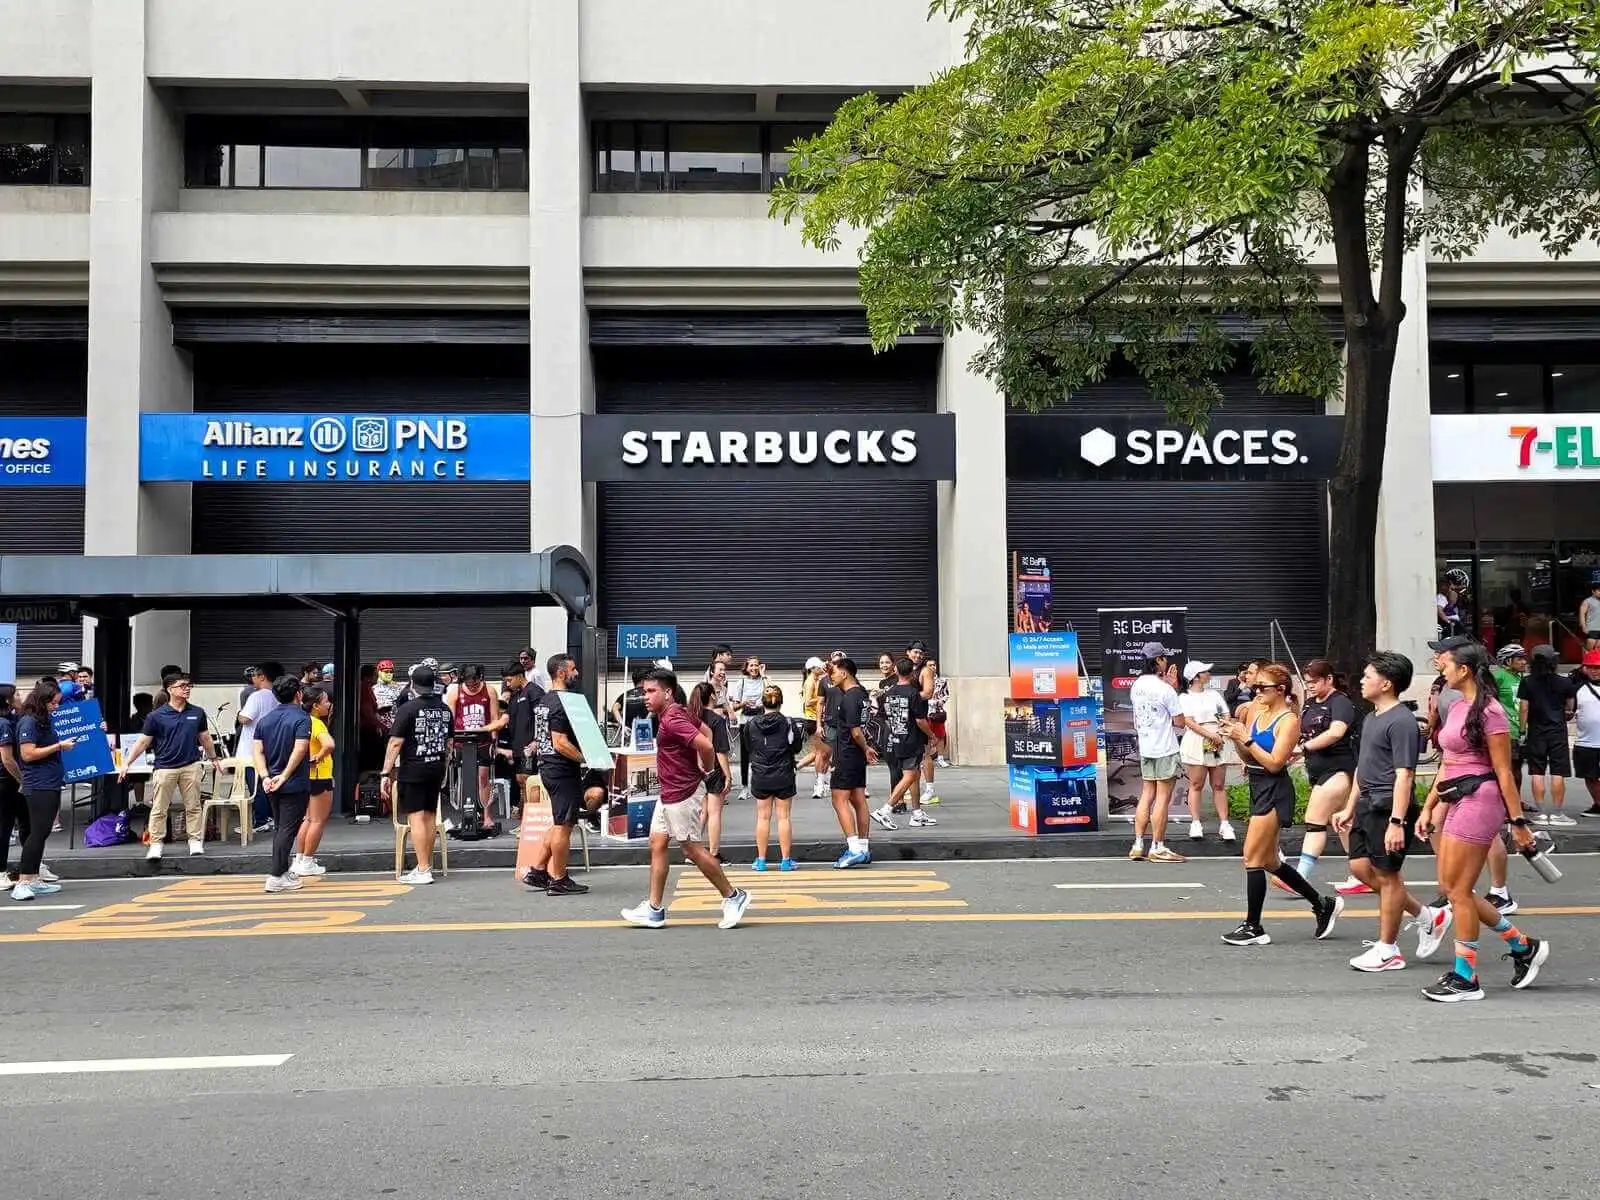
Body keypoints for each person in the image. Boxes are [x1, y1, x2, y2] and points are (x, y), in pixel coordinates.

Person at [1417, 642, 1550, 1001]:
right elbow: (1447, 762)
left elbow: (1504, 772)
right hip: (1454, 797)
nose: (1440, 668)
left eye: (1446, 664)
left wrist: (1518, 822)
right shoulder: (1457, 706)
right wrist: (1429, 806)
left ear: (1465, 670)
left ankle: (1466, 978)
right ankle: (1523, 947)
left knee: (1458, 891)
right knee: (1451, 887)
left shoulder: (1489, 711)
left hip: (1481, 799)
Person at [1335, 652, 1453, 972]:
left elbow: (1405, 774)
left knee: (1388, 878)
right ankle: (1429, 916)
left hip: (1388, 806)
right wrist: (1348, 806)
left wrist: (1397, 822)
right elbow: (1364, 765)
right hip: (1365, 804)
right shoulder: (1372, 716)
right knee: (1361, 869)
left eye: (1367, 675)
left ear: (1386, 683)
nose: (1361, 680)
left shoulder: (1402, 722)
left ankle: (1388, 950)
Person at [1220, 663, 1343, 946]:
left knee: (1252, 858)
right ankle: (1322, 903)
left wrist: (1246, 738)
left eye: (1262, 687)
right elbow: (1249, 755)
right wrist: (1236, 737)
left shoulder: (1288, 720)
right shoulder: (1255, 710)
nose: (1257, 691)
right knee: (1269, 861)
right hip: (1256, 783)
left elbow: (1275, 763)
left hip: (1274, 788)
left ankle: (1253, 926)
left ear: (1281, 690)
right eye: (1255, 686)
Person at [620, 668, 751, 930]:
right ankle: (655, 910)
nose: (645, 696)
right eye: (644, 691)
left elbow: (706, 744)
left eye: (650, 691)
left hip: (682, 793)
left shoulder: (672, 719)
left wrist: (708, 769)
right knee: (657, 843)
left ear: (667, 693)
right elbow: (706, 730)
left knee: (690, 848)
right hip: (668, 792)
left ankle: (734, 896)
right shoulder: (677, 711)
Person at [118, 671, 219, 862]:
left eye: (189, 685)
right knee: (159, 807)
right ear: (170, 689)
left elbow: (205, 737)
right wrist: (127, 763)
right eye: (182, 686)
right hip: (164, 767)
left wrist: (214, 758)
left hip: (191, 765)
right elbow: (142, 742)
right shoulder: (156, 716)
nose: (187, 689)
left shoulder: (197, 712)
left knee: (194, 805)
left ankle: (195, 840)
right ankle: (156, 843)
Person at [521, 654, 594, 895]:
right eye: (573, 669)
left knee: (560, 821)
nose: (577, 673)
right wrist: (587, 758)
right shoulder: (562, 702)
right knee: (564, 825)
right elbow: (560, 742)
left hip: (548, 767)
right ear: (561, 673)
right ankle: (559, 878)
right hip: (561, 769)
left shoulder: (544, 700)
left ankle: (539, 870)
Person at [381, 665, 452, 885]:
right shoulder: (444, 709)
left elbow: (395, 742)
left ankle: (423, 869)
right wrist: (444, 767)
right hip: (437, 767)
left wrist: (385, 772)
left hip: (413, 768)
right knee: (430, 816)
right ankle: (426, 865)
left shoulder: (408, 709)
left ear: (413, 684)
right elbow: (449, 743)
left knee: (416, 817)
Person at [10, 680, 80, 900]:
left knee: (42, 832)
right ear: (43, 701)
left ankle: (33, 879)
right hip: (38, 784)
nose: (56, 707)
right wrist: (59, 746)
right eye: (53, 703)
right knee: (37, 833)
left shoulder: (43, 721)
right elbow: (28, 754)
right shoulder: (29, 722)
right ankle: (23, 880)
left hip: (49, 782)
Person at [1291, 660, 1358, 884]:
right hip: (1316, 768)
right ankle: (1363, 873)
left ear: (1329, 679)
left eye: (1315, 681)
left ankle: (1300, 876)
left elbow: (1336, 732)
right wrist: (1296, 749)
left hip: (1338, 768)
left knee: (1314, 820)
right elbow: (1304, 732)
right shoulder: (1310, 703)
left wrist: (1305, 747)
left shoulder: (1340, 702)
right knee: (1344, 823)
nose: (1310, 686)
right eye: (1307, 682)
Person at [252, 676, 313, 895]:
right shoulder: (301, 718)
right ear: (298, 694)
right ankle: (276, 876)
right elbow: (300, 748)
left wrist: (265, 776)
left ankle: (282, 871)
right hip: (294, 783)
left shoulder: (265, 720)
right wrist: (285, 775)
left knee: (280, 828)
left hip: (271, 783)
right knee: (287, 829)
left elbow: (257, 751)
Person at [1128, 643, 1187, 863]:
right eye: (1164, 658)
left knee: (1147, 795)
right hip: (1164, 748)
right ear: (1158, 661)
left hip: (1146, 747)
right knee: (1162, 798)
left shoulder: (1136, 686)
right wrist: (1174, 687)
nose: (1167, 662)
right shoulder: (1165, 689)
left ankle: (1138, 844)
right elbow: (1180, 722)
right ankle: (1158, 846)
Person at [871, 657, 937, 831]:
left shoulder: (889, 692)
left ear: (896, 671)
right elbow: (920, 720)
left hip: (896, 737)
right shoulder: (914, 694)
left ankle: (917, 813)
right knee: (909, 775)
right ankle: (886, 809)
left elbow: (884, 716)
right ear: (912, 673)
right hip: (911, 739)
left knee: (913, 775)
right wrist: (931, 735)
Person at [827, 656, 878, 868]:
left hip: (847, 752)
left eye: (835, 672)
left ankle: (854, 848)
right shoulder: (861, 694)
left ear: (844, 673)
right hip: (856, 755)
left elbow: (855, 731)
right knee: (858, 799)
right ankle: (864, 848)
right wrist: (865, 749)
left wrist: (865, 747)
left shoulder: (848, 698)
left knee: (839, 798)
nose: (832, 675)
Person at [1519, 643, 1576, 826]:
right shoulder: (1565, 681)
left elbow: (1524, 708)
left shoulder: (1527, 681)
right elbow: (1570, 706)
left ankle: (1542, 814)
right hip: (1557, 730)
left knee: (1537, 771)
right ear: (1554, 661)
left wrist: (1522, 730)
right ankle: (1558, 813)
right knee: (1558, 772)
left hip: (1536, 730)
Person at [1177, 660, 1234, 842]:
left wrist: (1222, 730)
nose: (1209, 674)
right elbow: (1189, 721)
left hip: (1216, 738)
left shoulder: (1214, 695)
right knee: (1196, 784)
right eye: (1205, 672)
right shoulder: (1184, 697)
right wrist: (1210, 735)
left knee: (1218, 784)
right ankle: (1195, 823)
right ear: (1195, 677)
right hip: (1197, 740)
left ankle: (1225, 824)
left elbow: (1225, 713)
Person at [748, 684, 801, 871]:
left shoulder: (752, 723)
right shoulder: (788, 722)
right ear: (781, 702)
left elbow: (749, 747)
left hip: (761, 774)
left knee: (762, 818)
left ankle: (761, 860)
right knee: (783, 818)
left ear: (762, 702)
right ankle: (785, 861)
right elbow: (796, 747)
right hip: (784, 773)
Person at [445, 663, 506, 817]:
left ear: (481, 678)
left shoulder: (489, 691)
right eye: (469, 684)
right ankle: (467, 815)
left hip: (483, 740)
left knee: (484, 777)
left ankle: (487, 815)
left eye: (476, 684)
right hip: (461, 740)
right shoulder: (455, 692)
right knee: (465, 776)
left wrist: (494, 740)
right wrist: (450, 742)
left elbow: (494, 718)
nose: (472, 687)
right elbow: (450, 719)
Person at [291, 686, 335, 878]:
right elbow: (329, 744)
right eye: (325, 701)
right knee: (317, 820)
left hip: (307, 777)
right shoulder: (316, 723)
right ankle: (307, 860)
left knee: (308, 819)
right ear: (316, 705)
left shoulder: (300, 721)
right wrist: (318, 756)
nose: (329, 704)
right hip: (320, 775)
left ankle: (300, 858)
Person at [236, 663, 283, 833]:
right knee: (270, 783)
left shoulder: (256, 697)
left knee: (256, 786)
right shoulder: (278, 696)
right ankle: (271, 817)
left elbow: (246, 719)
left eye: (254, 676)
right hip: (272, 748)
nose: (252, 679)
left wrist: (239, 715)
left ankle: (261, 819)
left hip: (251, 749)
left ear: (262, 677)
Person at [693, 681, 734, 864]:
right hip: (714, 768)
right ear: (711, 696)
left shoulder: (691, 718)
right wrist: (728, 775)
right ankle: (714, 853)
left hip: (695, 768)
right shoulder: (716, 720)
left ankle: (693, 852)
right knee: (714, 812)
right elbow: (720, 750)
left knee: (703, 811)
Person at [0, 686, 31, 893]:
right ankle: (1, 872)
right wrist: (22, 779)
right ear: (7, 701)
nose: (20, 697)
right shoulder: (3, 723)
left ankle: (31, 867)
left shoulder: (13, 719)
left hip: (11, 782)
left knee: (26, 823)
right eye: (16, 695)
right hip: (6, 781)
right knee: (4, 827)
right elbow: (7, 759)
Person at [729, 655, 770, 802]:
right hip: (745, 721)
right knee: (745, 755)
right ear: (746, 668)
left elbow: (772, 693)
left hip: (761, 720)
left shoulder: (763, 680)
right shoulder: (741, 682)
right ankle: (745, 787)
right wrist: (743, 703)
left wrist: (764, 675)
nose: (754, 668)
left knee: (762, 753)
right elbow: (733, 706)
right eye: (751, 665)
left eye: (756, 665)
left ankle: (761, 784)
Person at [1492, 643, 1528, 792]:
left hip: (1522, 730)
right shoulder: (1498, 676)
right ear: (1507, 661)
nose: (1524, 662)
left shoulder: (1522, 677)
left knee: (1517, 768)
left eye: (1524, 658)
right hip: (1507, 730)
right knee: (1508, 769)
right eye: (1519, 659)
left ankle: (1517, 801)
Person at [1572, 650, 1600, 816]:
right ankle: (1598, 804)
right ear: (1584, 668)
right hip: (1585, 741)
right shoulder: (1577, 688)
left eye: (1598, 667)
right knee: (1589, 776)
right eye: (1591, 667)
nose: (1595, 670)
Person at [796, 656, 826, 772]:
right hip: (812, 720)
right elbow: (807, 702)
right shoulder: (810, 682)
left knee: (819, 751)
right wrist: (822, 698)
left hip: (815, 718)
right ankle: (820, 779)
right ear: (812, 669)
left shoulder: (816, 680)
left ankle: (795, 768)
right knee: (819, 752)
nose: (821, 669)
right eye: (818, 667)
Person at [1579, 580, 1600, 652]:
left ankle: (1597, 662)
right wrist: (1584, 626)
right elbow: (1582, 614)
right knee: (1591, 643)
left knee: (1599, 646)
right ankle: (1588, 659)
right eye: (1599, 591)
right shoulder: (1587, 601)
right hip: (1592, 627)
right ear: (1593, 591)